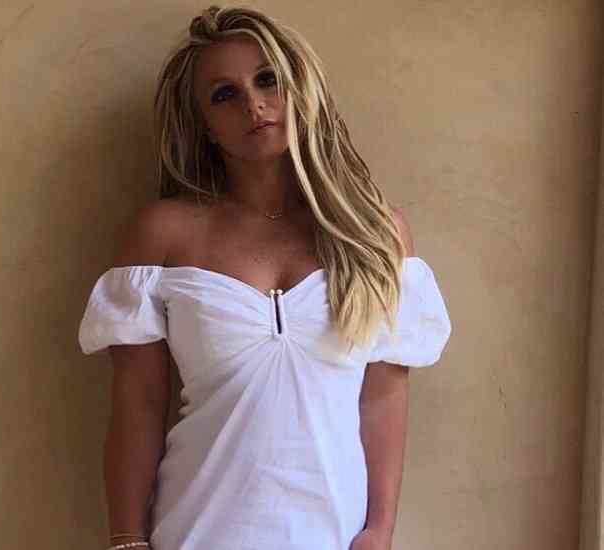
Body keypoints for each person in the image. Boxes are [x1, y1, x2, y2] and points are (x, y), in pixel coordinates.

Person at [78, 5, 452, 550]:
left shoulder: (373, 234)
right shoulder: (165, 234)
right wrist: (128, 539)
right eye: (224, 94)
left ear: (299, 89)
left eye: (267, 79)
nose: (253, 104)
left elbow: (383, 396)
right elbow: (139, 404)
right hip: (197, 533)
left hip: (333, 536)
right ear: (205, 125)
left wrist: (379, 530)